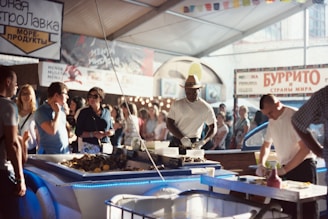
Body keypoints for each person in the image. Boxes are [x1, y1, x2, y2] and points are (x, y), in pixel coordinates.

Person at [256, 94, 317, 219]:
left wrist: (284, 170)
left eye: (271, 112)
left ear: (278, 104)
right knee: (288, 209)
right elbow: (266, 146)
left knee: (307, 210)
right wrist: (261, 164)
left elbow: (305, 148)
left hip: (303, 166)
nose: (270, 116)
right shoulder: (272, 121)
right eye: (266, 114)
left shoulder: (295, 117)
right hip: (286, 168)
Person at [291, 86, 328, 218]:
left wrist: (318, 151)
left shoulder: (324, 95)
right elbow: (298, 121)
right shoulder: (324, 95)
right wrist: (318, 150)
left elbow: (297, 121)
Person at [166, 75, 217, 154]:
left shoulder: (206, 107)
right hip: (176, 140)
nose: (190, 95)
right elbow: (169, 123)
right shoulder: (177, 104)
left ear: (199, 90)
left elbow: (213, 127)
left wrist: (203, 141)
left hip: (194, 143)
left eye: (193, 92)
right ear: (185, 90)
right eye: (188, 93)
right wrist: (182, 138)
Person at [0, 66, 26, 219]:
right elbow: (12, 144)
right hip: (2, 171)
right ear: (8, 82)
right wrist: (19, 177)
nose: (17, 87)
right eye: (16, 83)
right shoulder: (8, 106)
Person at [75, 87, 114, 153]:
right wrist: (93, 134)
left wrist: (109, 133)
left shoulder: (107, 112)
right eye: (90, 96)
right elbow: (78, 132)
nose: (92, 98)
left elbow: (111, 129)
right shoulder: (84, 112)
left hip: (105, 146)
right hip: (89, 146)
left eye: (95, 96)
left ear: (100, 99)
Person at [34, 82, 70, 154]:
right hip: (48, 155)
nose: (67, 97)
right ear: (56, 95)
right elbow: (52, 131)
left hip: (64, 153)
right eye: (65, 94)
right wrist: (57, 113)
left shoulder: (61, 108)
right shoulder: (41, 111)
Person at [16, 84, 39, 154]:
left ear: (32, 96)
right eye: (23, 94)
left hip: (30, 147)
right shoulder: (15, 111)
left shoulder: (35, 113)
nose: (25, 96)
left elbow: (38, 132)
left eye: (28, 93)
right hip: (17, 145)